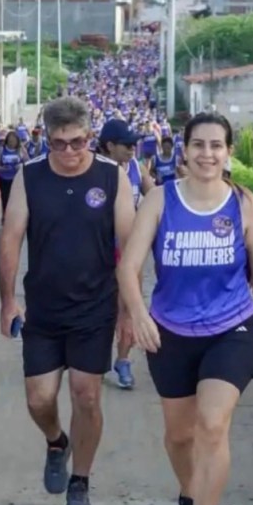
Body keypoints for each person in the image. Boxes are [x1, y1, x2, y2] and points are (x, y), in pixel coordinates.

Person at [116, 112, 253, 505]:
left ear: (229, 152)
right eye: (199, 144)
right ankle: (190, 491)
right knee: (179, 436)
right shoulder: (161, 199)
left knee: (212, 425)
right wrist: (138, 314)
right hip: (170, 331)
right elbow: (130, 266)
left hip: (231, 329)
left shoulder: (243, 204)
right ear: (185, 149)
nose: (207, 153)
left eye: (216, 145)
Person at [0, 97, 136, 505]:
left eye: (78, 142)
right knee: (40, 400)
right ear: (46, 140)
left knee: (86, 395)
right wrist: (7, 301)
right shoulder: (30, 176)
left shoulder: (113, 177)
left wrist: (129, 311)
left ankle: (81, 481)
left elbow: (129, 249)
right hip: (43, 307)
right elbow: (10, 239)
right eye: (59, 144)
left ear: (91, 138)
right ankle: (57, 441)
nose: (70, 152)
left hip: (95, 307)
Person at [96, 118, 156, 390]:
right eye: (127, 144)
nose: (133, 148)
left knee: (130, 306)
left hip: (128, 251)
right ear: (109, 146)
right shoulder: (92, 170)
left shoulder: (136, 167)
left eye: (135, 144)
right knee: (99, 308)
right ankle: (93, 358)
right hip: (94, 250)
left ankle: (122, 360)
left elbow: (156, 197)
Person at [0, 130, 27, 220]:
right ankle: (6, 217)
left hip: (18, 179)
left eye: (14, 141)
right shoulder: (2, 149)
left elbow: (29, 163)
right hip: (5, 179)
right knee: (5, 199)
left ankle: (17, 218)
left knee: (17, 199)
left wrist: (21, 166)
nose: (12, 143)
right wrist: (3, 169)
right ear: (7, 141)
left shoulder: (21, 149)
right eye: (10, 141)